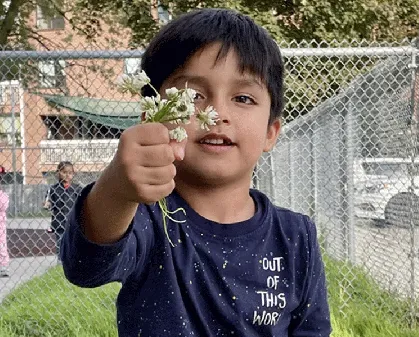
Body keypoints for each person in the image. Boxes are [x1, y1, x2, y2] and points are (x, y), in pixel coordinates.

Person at [61, 8, 331, 337]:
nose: (216, 113)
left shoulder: (296, 235)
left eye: (243, 98)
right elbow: (84, 267)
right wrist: (117, 189)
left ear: (271, 132)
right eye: (195, 96)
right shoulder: (148, 219)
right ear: (153, 116)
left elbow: (311, 329)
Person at [44, 161, 81, 259]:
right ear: (58, 173)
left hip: (73, 221)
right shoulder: (53, 189)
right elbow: (48, 201)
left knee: (73, 242)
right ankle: (60, 261)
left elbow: (81, 202)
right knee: (60, 242)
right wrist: (48, 204)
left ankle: (72, 259)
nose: (67, 175)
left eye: (70, 173)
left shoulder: (77, 188)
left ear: (73, 174)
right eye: (64, 172)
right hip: (59, 220)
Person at [0, 186, 9, 277]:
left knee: (2, 244)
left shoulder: (3, 195)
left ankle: (3, 265)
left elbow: (3, 205)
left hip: (0, 225)